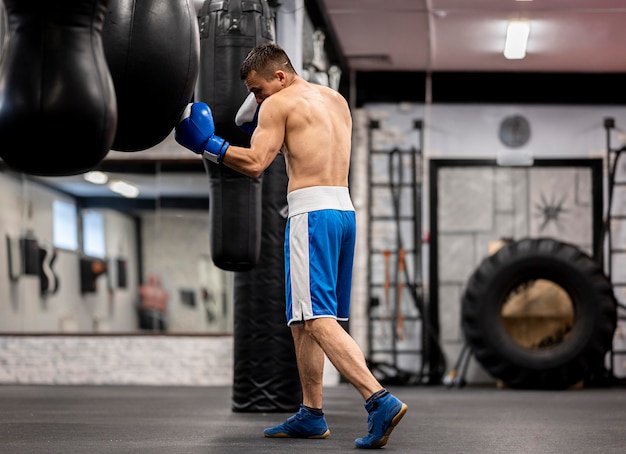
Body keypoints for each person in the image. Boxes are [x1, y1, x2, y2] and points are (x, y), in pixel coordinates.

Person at [174, 42, 407, 449]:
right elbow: (293, 141)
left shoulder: (278, 106)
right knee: (303, 321)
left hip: (310, 216)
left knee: (315, 318)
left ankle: (378, 399)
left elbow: (255, 164)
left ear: (279, 77)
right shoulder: (335, 100)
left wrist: (207, 145)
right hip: (343, 214)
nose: (256, 98)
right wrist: (258, 111)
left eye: (258, 90)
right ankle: (312, 413)